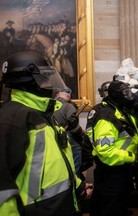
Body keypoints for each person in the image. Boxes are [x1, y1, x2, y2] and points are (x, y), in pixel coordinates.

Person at [0, 52, 91, 216]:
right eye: (46, 77)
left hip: (60, 206)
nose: (50, 82)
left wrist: (77, 185)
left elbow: (54, 161)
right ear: (28, 79)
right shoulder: (11, 119)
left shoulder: (43, 112)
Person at [87, 80, 138, 216]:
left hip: (123, 168)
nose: (129, 95)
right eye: (125, 92)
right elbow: (105, 150)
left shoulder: (121, 111)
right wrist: (131, 156)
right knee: (109, 208)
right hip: (111, 172)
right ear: (116, 95)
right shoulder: (106, 116)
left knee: (120, 206)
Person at [53, 87, 84, 178]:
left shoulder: (48, 105)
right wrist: (81, 134)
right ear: (57, 93)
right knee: (74, 173)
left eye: (70, 91)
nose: (68, 93)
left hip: (54, 141)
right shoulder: (68, 106)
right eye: (66, 91)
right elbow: (75, 129)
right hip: (71, 142)